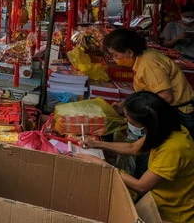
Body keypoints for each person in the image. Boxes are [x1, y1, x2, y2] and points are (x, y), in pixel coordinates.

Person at [78, 92, 194, 223]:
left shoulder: (174, 148)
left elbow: (141, 186)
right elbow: (133, 148)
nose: (127, 123)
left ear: (149, 124)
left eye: (131, 122)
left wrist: (102, 164)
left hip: (172, 214)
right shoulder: (165, 128)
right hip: (156, 202)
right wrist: (96, 144)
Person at [103, 28, 194, 136]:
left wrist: (133, 112)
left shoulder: (148, 63)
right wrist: (125, 104)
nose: (114, 59)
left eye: (115, 55)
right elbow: (146, 92)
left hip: (179, 114)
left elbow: (166, 97)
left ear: (129, 52)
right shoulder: (142, 59)